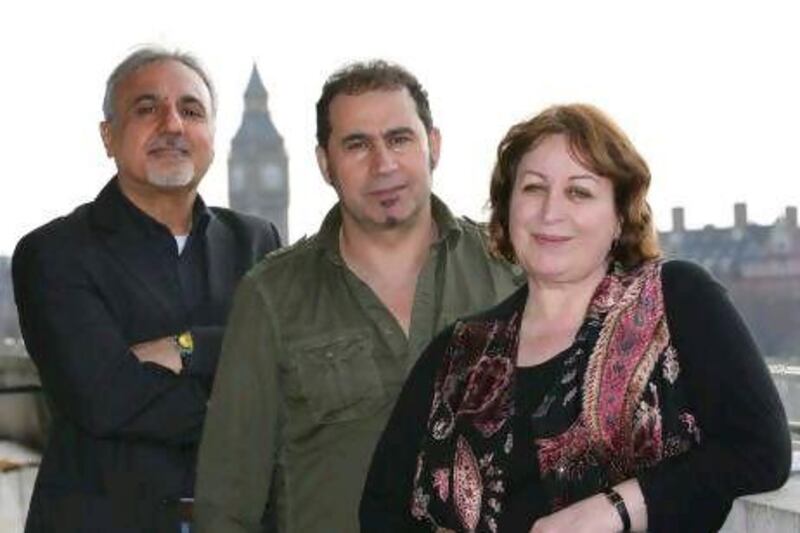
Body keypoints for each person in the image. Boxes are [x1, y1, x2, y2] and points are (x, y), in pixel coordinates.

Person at [360, 103, 792, 533]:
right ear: (507, 207)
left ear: (620, 216)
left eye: (579, 192)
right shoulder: (455, 352)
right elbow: (381, 511)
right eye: (533, 188)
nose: (551, 212)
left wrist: (616, 508)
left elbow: (759, 450)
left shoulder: (675, 300)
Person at [193, 60, 522, 533]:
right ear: (326, 164)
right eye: (357, 145)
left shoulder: (509, 274)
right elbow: (226, 501)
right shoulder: (271, 297)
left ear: (434, 145)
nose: (383, 164)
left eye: (399, 139)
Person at [12, 47, 281, 532]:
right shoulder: (53, 253)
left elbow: (288, 359)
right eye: (147, 108)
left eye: (191, 110)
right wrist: (250, 398)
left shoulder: (258, 241)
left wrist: (188, 347)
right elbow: (106, 398)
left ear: (213, 137)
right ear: (108, 136)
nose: (172, 124)